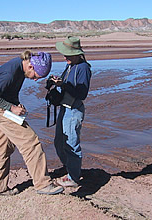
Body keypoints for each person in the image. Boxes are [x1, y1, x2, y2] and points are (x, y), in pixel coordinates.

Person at [0, 50, 64, 197]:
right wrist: (11, 108)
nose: (35, 80)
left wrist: (16, 104)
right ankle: (43, 184)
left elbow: (8, 92)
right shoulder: (9, 73)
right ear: (31, 67)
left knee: (2, 148)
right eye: (36, 76)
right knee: (31, 142)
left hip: (0, 108)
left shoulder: (20, 69)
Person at [51, 36, 92, 187]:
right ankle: (70, 168)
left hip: (74, 110)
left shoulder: (83, 68)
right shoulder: (70, 66)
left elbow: (82, 94)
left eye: (68, 54)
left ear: (77, 54)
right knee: (59, 142)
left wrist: (64, 84)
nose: (65, 57)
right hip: (65, 108)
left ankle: (73, 177)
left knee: (71, 143)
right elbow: (67, 86)